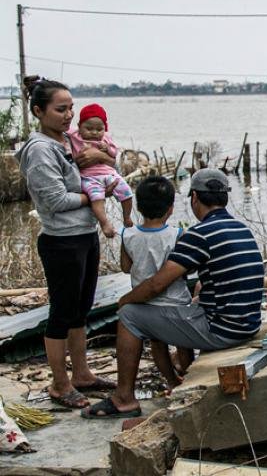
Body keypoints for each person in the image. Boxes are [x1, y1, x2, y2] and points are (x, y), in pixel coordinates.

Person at [82, 168, 265, 418]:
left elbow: (156, 285)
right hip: (247, 323)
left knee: (129, 315)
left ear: (194, 199)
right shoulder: (240, 228)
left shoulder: (200, 234)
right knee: (188, 300)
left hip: (223, 331)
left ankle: (124, 398)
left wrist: (125, 300)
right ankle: (180, 373)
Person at [15, 77, 118, 409]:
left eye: (71, 107)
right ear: (38, 111)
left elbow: (106, 162)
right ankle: (60, 384)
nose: (69, 115)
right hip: (62, 241)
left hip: (84, 235)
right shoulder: (41, 150)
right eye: (61, 109)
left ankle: (83, 374)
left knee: (80, 311)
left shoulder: (65, 142)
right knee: (61, 313)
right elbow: (54, 201)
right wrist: (93, 196)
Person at [119, 175, 194, 389]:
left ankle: (171, 381)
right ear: (170, 208)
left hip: (146, 308)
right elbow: (185, 267)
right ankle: (189, 381)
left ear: (139, 208)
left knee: (158, 346)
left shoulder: (128, 235)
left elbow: (125, 267)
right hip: (177, 304)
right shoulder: (177, 234)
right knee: (184, 345)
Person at [68, 103, 134, 238]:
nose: (94, 132)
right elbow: (61, 129)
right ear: (79, 126)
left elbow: (114, 153)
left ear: (105, 128)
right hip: (88, 177)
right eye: (89, 128)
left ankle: (127, 217)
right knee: (96, 197)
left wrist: (106, 149)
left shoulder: (105, 139)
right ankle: (104, 223)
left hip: (108, 174)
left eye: (99, 129)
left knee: (126, 191)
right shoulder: (75, 136)